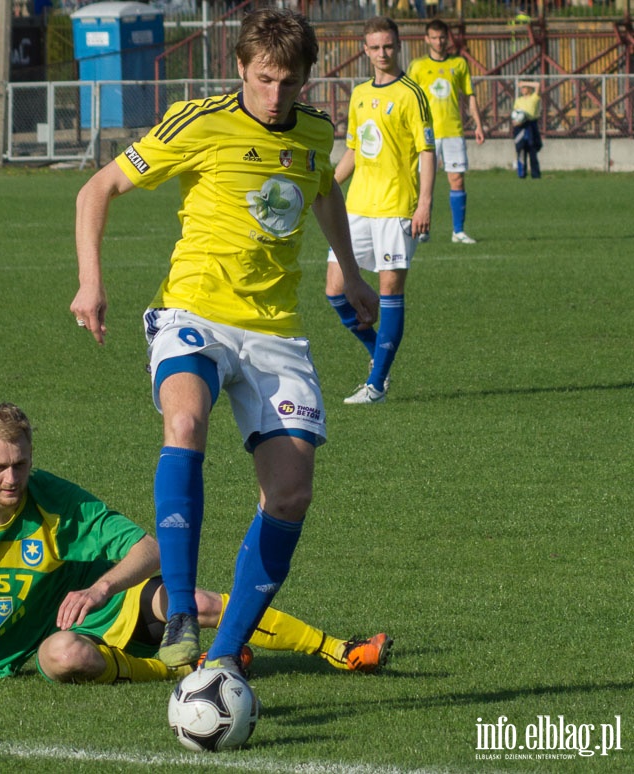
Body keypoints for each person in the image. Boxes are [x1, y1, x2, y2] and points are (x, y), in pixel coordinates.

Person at [71, 8, 381, 676]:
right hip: (194, 314)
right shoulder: (199, 121)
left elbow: (324, 189)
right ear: (240, 68)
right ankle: (179, 608)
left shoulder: (316, 131)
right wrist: (90, 284)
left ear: (306, 79)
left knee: (290, 495)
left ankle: (221, 657)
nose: (275, 97)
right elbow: (99, 187)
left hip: (275, 335)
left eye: (289, 83)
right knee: (184, 420)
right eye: (264, 79)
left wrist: (351, 274)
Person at [0, 403, 391, 689]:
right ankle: (177, 669)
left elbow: (153, 547)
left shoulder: (52, 498)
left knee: (194, 598)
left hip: (90, 606)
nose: (12, 478)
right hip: (11, 657)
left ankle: (339, 649)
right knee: (66, 657)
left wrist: (100, 586)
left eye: (20, 463)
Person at [326, 16, 435, 405]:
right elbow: (354, 150)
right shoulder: (358, 94)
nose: (383, 53)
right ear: (365, 50)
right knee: (335, 290)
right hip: (357, 206)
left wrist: (424, 204)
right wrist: (325, 186)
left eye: (388, 46)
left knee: (390, 290)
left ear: (398, 46)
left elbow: (426, 151)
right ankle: (380, 359)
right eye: (375, 47)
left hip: (397, 208)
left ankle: (376, 385)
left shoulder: (412, 94)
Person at [407, 18, 484, 245]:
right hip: (426, 133)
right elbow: (409, 98)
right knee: (423, 183)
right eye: (434, 37)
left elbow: (469, 95)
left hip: (453, 130)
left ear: (447, 38)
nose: (439, 42)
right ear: (426, 39)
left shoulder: (459, 64)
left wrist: (478, 124)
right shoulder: (418, 66)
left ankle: (458, 232)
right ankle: (422, 229)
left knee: (457, 179)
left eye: (442, 37)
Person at [512, 80, 542, 179]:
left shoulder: (534, 98)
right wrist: (516, 122)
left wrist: (524, 83)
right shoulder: (518, 100)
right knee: (521, 150)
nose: (523, 89)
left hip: (531, 125)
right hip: (520, 127)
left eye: (525, 88)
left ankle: (535, 175)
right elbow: (515, 114)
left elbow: (538, 85)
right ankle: (521, 174)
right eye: (522, 88)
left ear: (529, 88)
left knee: (532, 150)